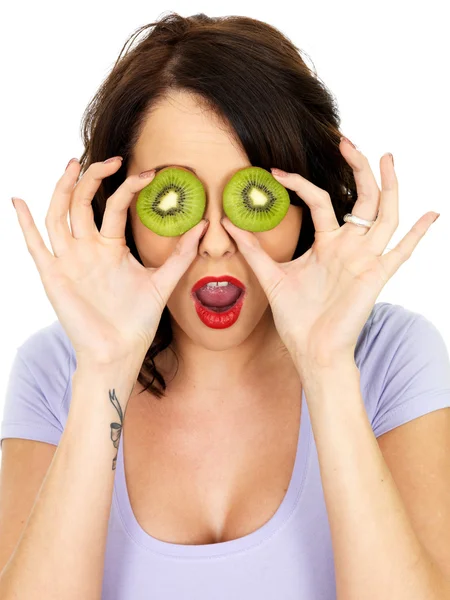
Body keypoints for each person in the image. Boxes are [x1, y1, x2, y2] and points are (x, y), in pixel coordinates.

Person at [1, 12, 450, 600]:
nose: (214, 240)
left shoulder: (392, 356)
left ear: (306, 202)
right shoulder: (59, 370)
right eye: (173, 198)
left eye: (250, 197)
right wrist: (106, 368)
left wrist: (326, 365)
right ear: (120, 210)